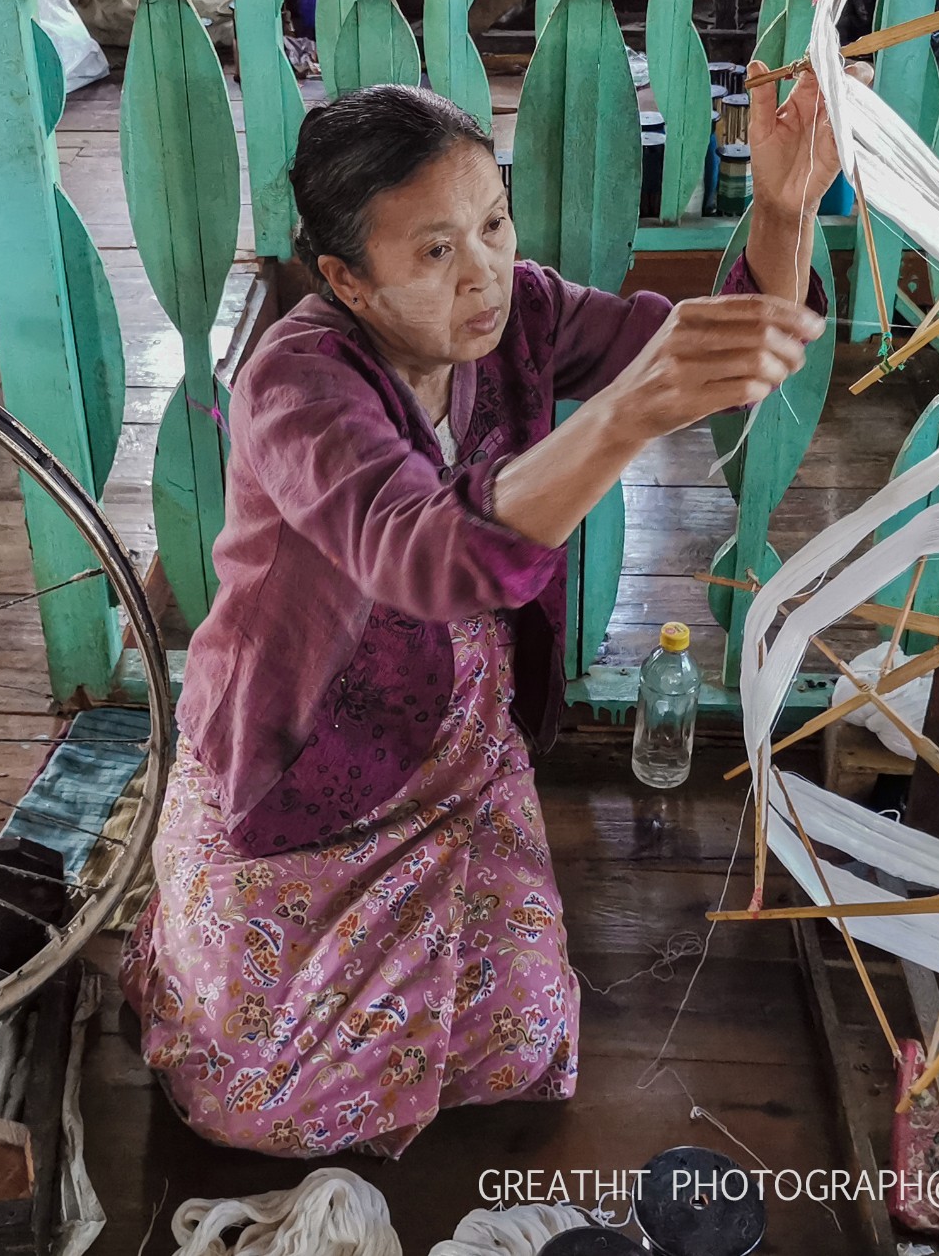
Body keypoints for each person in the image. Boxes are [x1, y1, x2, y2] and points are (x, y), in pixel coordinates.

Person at [120, 66, 850, 1157]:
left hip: (449, 725)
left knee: (523, 1037)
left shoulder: (524, 311)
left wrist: (784, 209)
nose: (485, 274)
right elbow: (419, 554)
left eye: (492, 223)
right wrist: (620, 415)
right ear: (345, 279)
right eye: (433, 250)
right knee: (252, 1101)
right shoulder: (296, 383)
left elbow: (721, 353)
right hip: (298, 741)